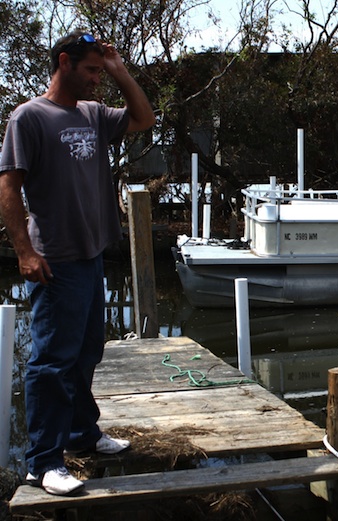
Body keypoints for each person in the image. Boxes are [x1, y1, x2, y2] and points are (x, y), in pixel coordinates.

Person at [0, 31, 156, 496]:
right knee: (51, 362)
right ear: (64, 63)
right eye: (90, 70)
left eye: (98, 71)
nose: (96, 80)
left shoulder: (92, 115)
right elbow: (9, 187)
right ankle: (42, 463)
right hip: (56, 259)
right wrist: (24, 251)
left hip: (91, 255)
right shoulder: (29, 117)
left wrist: (118, 70)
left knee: (88, 351)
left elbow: (144, 119)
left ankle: (83, 435)